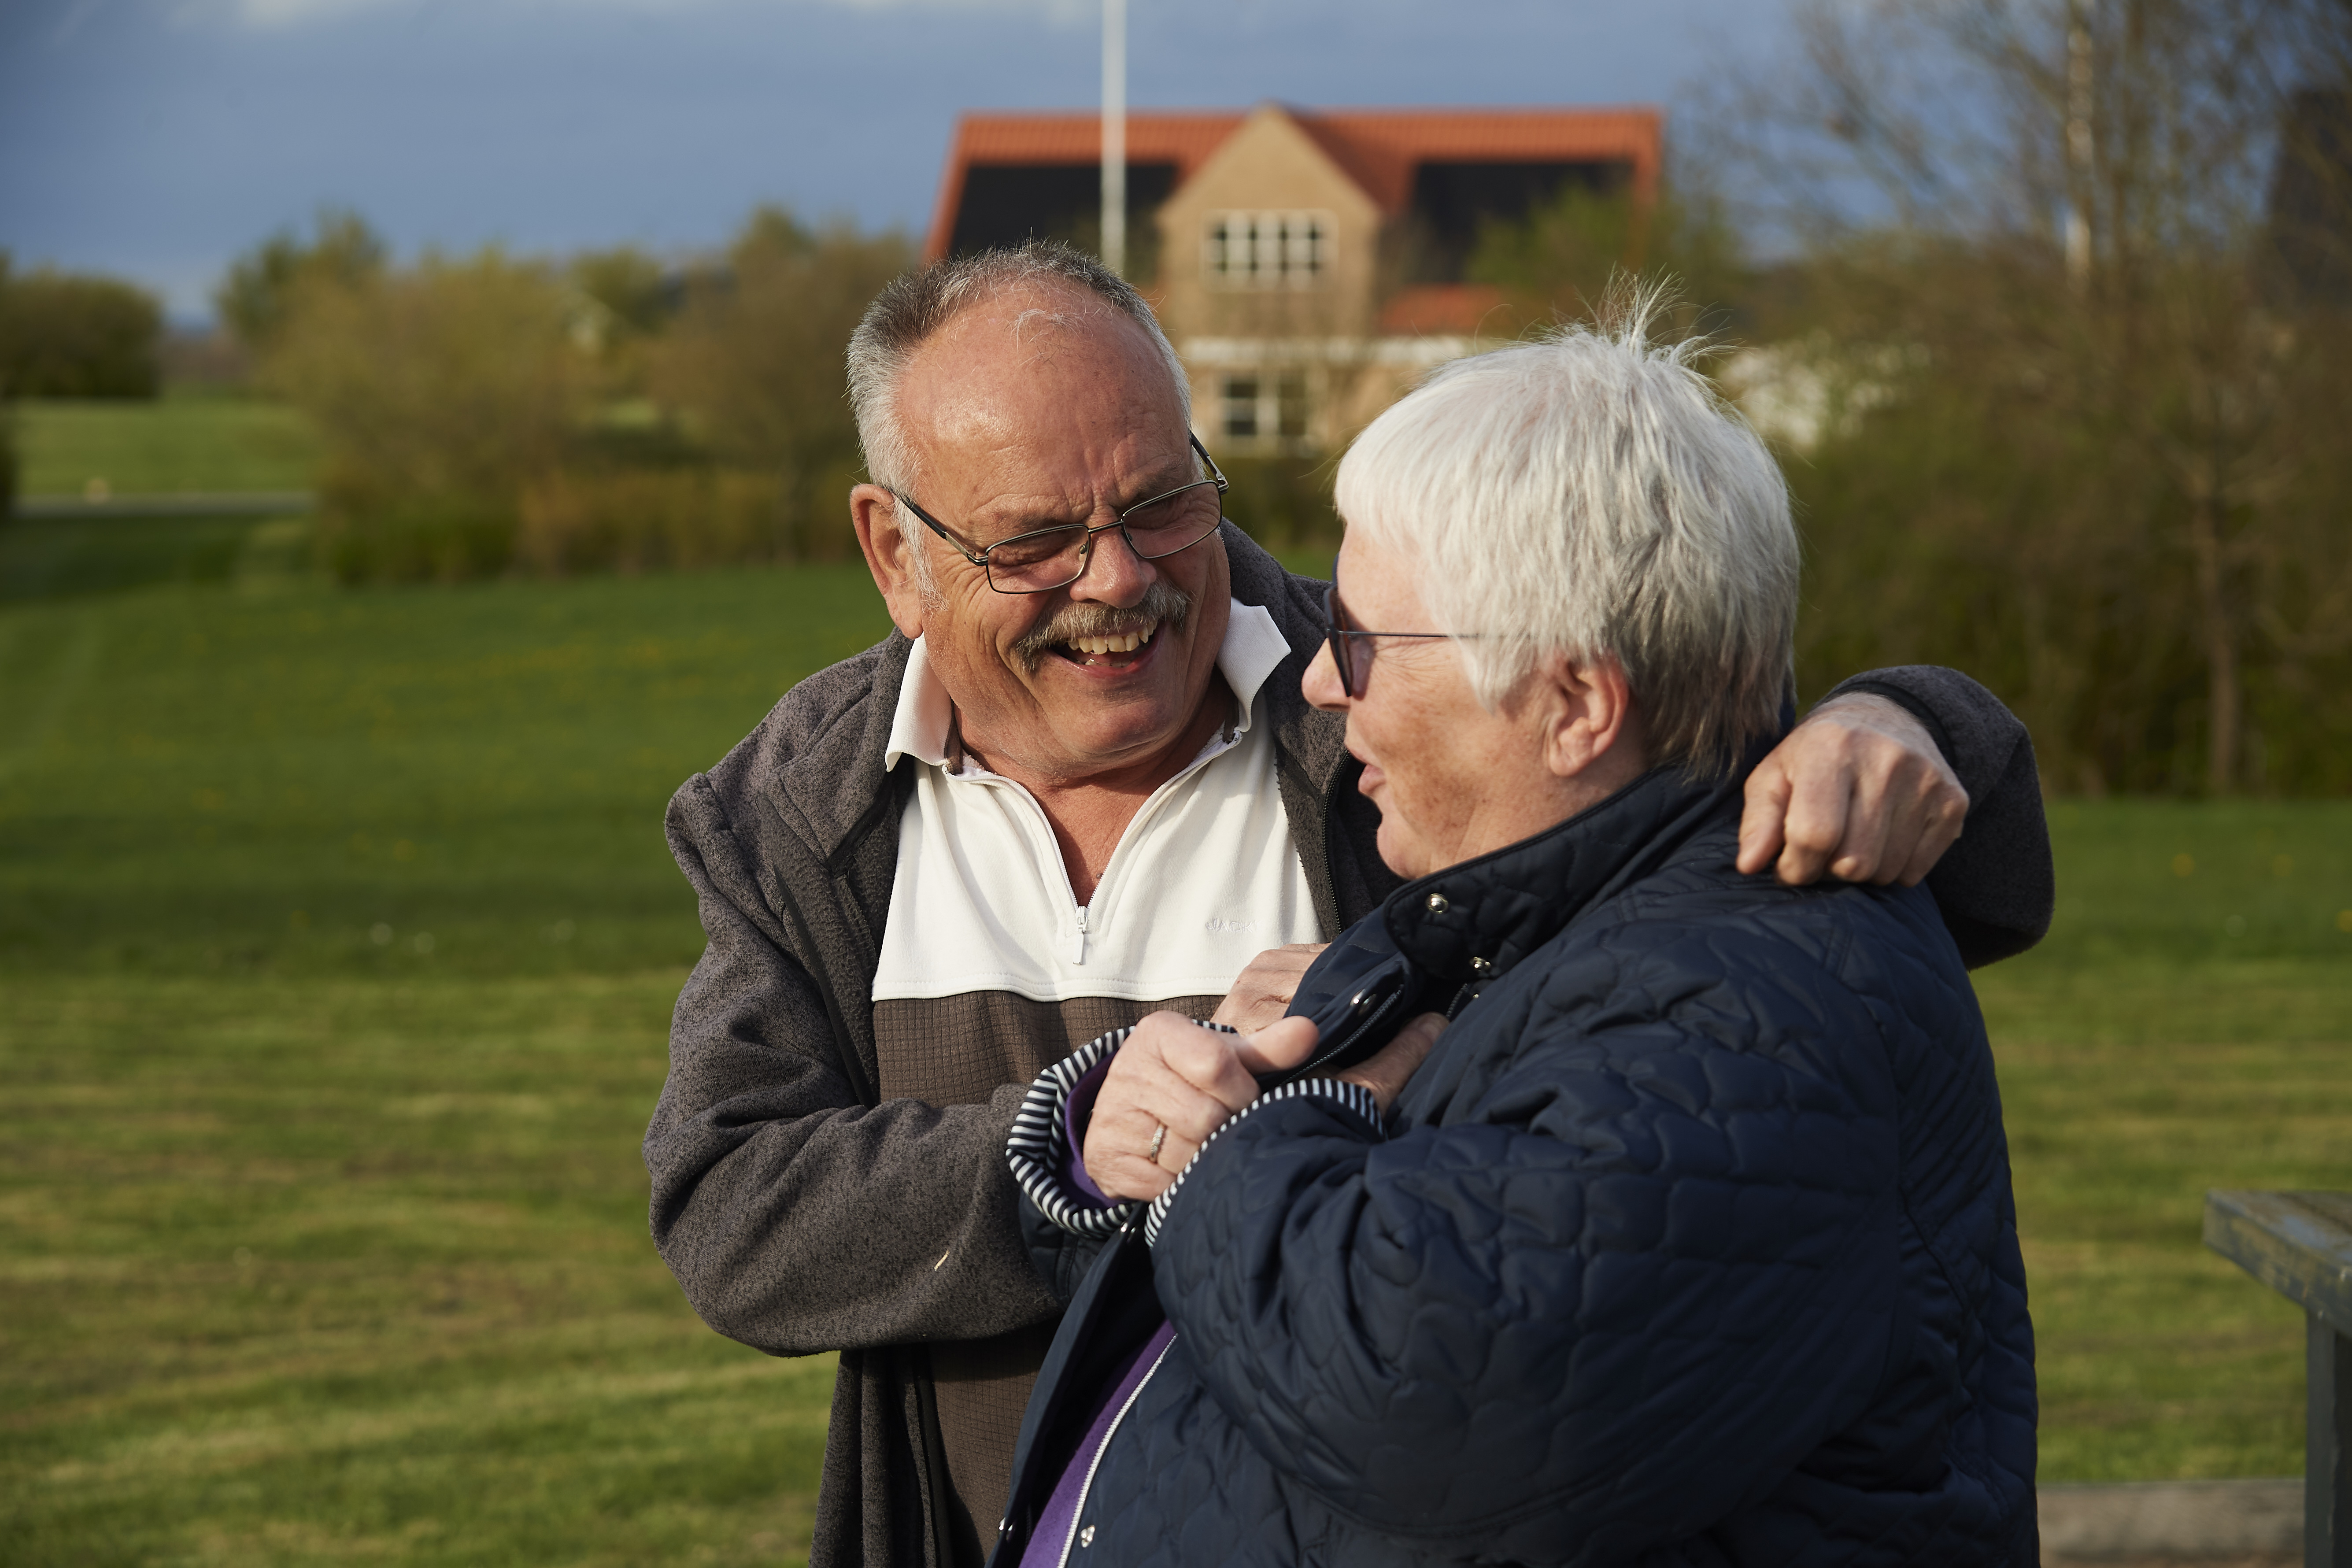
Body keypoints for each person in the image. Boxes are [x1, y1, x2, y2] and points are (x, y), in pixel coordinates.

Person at [643, 242, 2051, 1568]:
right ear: (895, 552)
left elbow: (1685, 760)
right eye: (1035, 543)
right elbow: (727, 1210)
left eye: (1159, 503)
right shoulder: (801, 811)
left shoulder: (1395, 683)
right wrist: (1067, 1147)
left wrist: (1911, 720)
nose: (1120, 578)